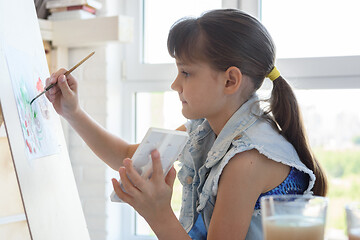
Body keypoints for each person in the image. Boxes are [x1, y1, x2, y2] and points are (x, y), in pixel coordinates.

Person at [46, 9, 328, 240]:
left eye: (186, 72)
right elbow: (131, 158)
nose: (174, 84)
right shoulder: (207, 128)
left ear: (230, 80)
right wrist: (73, 112)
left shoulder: (247, 160)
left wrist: (158, 214)